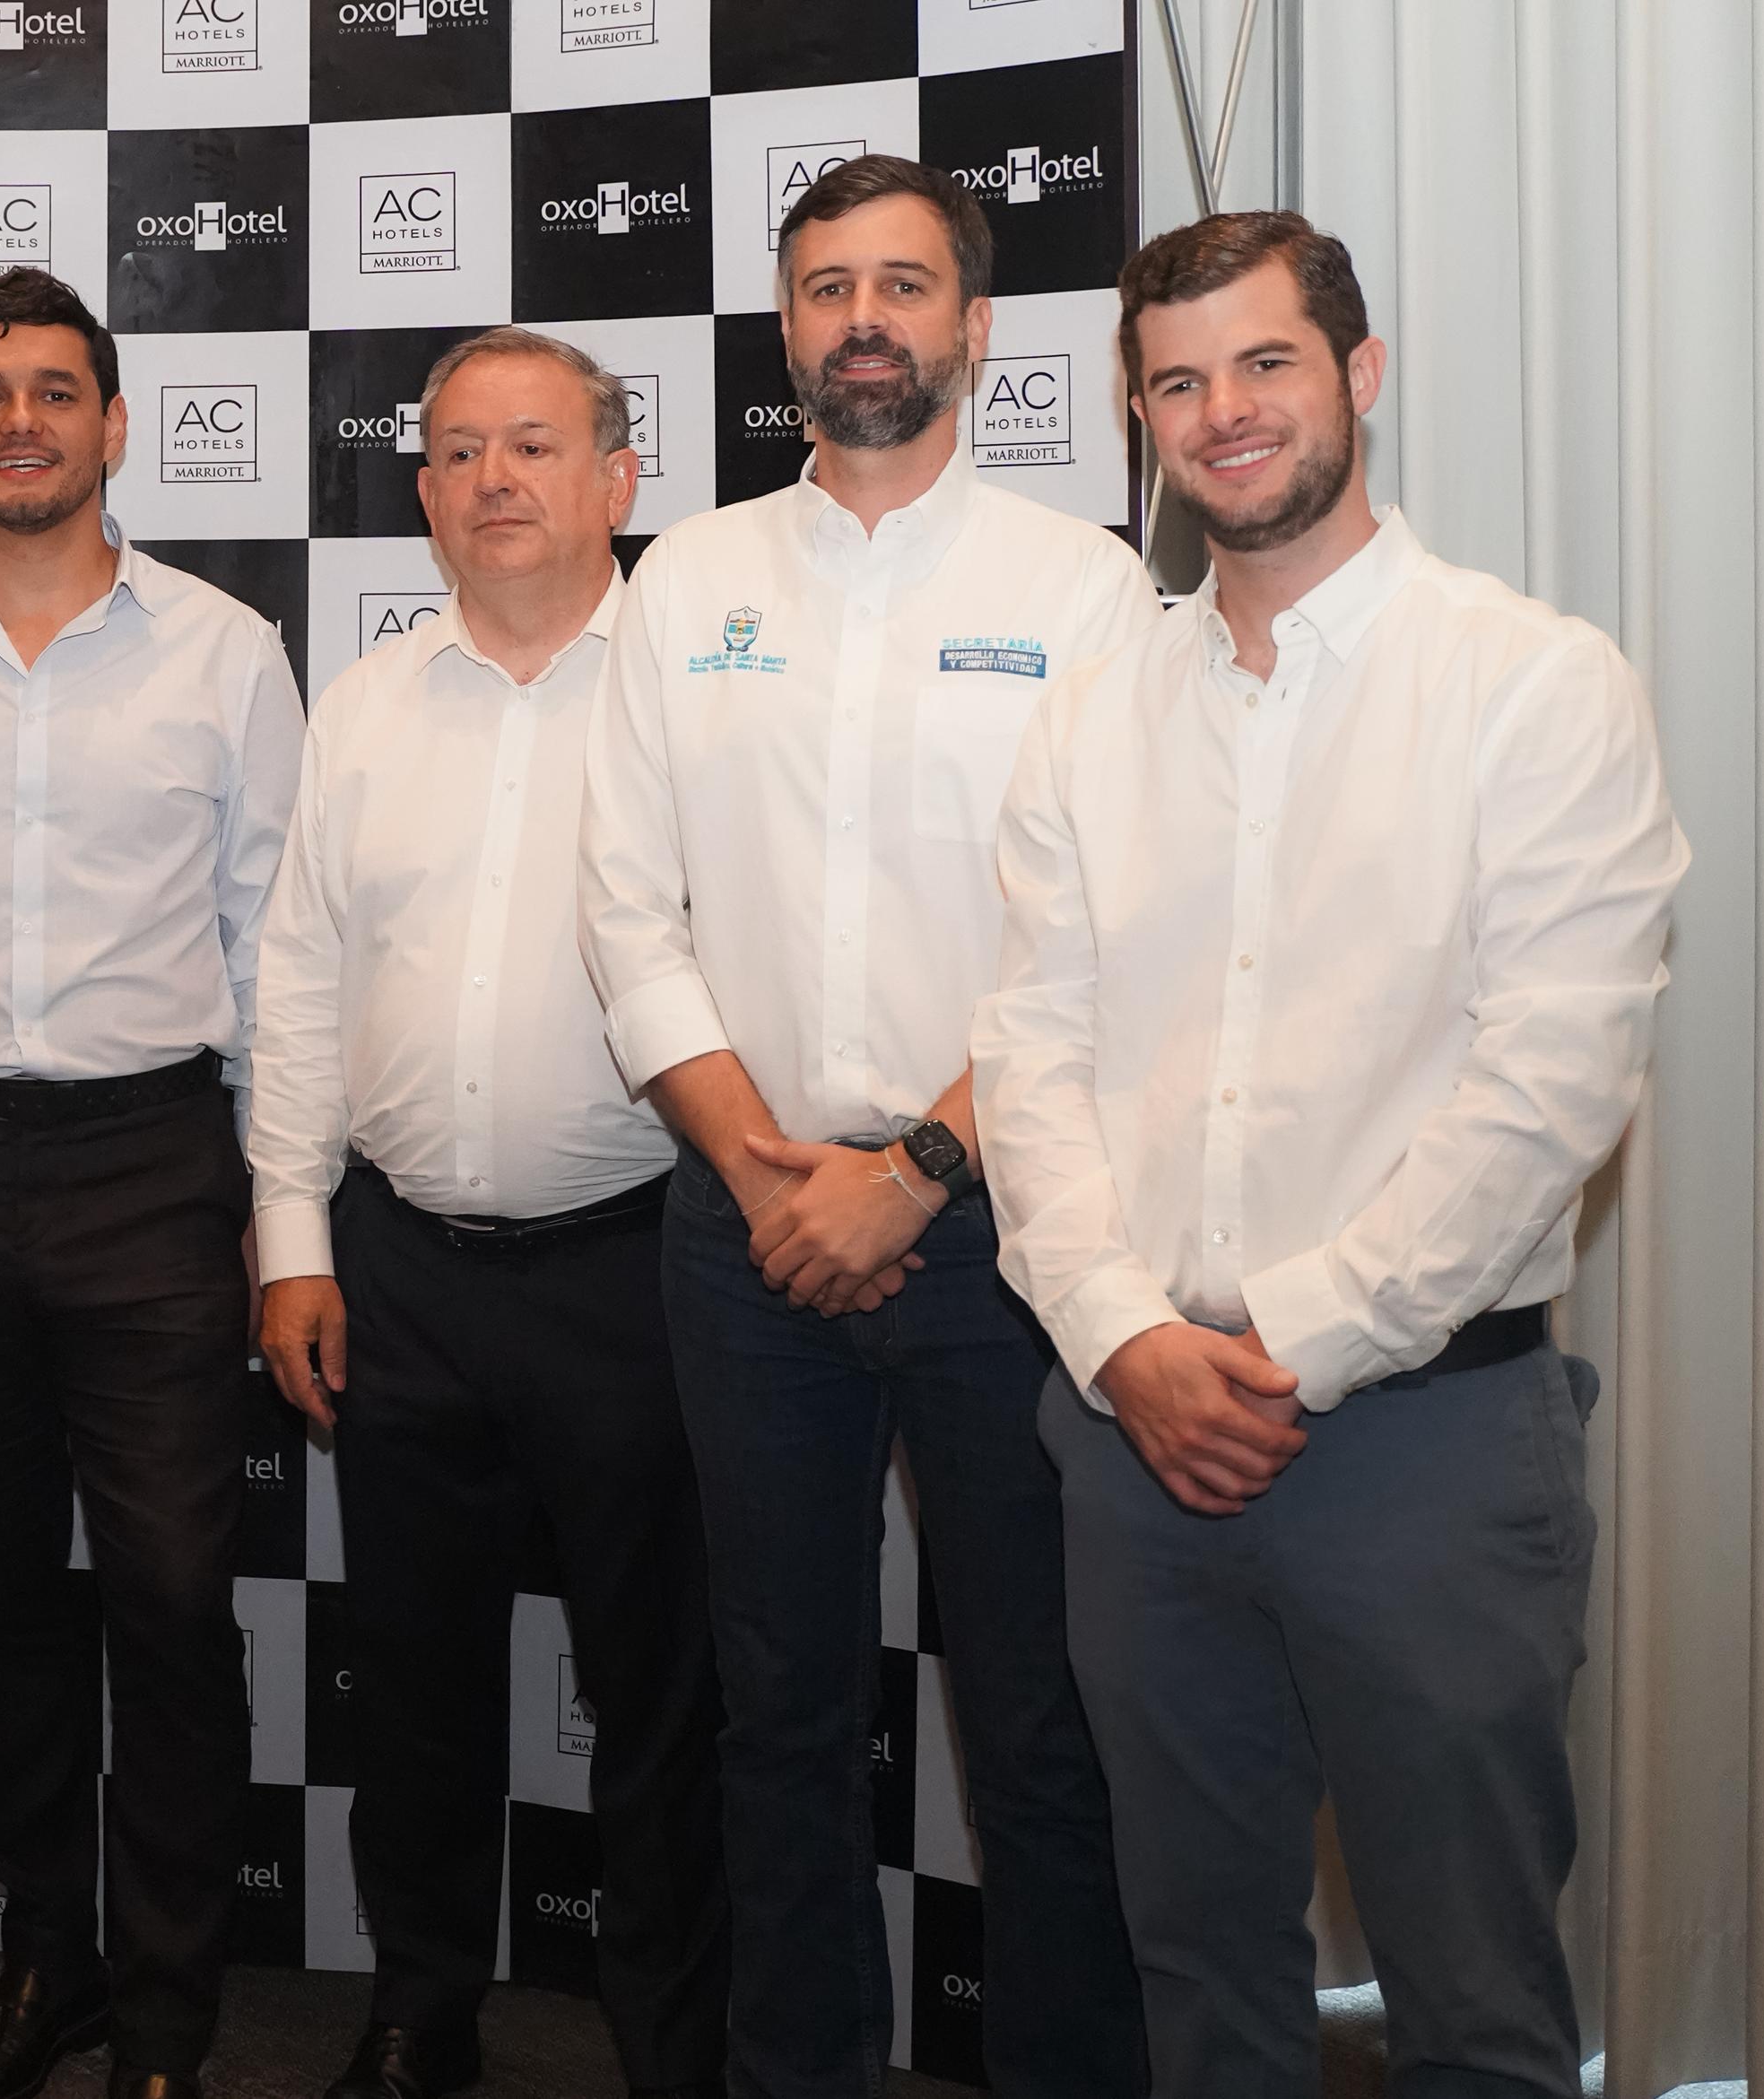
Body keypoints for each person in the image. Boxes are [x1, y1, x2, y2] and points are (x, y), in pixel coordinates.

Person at [975, 211, 1685, 2099]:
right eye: (1177, 381)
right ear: (1142, 419)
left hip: (1425, 1446)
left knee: (1474, 2004)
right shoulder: (1091, 711)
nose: (1224, 410)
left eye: (1265, 362)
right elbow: (1027, 1052)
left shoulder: (1532, 685)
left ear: (1358, 375)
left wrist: (1288, 1343)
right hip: (1132, 1438)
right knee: (1197, 1978)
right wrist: (1124, 1338)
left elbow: (1549, 1086)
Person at [577, 155, 1160, 2097]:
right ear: (786, 328)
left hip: (1005, 1232)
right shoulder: (688, 579)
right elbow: (624, 912)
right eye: (828, 287)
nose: (863, 321)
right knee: (780, 1718)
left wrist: (912, 1173)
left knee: (1041, 1728)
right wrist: (768, 1173)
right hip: (742, 1228)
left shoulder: (1082, 590)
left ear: (976, 327)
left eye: (903, 285)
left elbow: (1109, 934)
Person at [0, 267, 304, 2099]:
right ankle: (52, 1957)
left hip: (153, 1166)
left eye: (53, 391)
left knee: (173, 1596)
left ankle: (169, 2012)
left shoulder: (224, 651)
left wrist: (278, 1213)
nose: (19, 421)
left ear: (112, 425)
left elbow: (275, 952)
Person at [248, 329, 726, 2099]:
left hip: (637, 1269)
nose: (493, 480)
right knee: (415, 1677)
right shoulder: (367, 704)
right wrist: (291, 1239)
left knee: (661, 1691)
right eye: (457, 452)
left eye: (533, 444)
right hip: (401, 1274)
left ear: (618, 477)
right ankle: (419, 2009)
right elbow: (300, 982)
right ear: (424, 491)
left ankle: (675, 2043)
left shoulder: (692, 697)